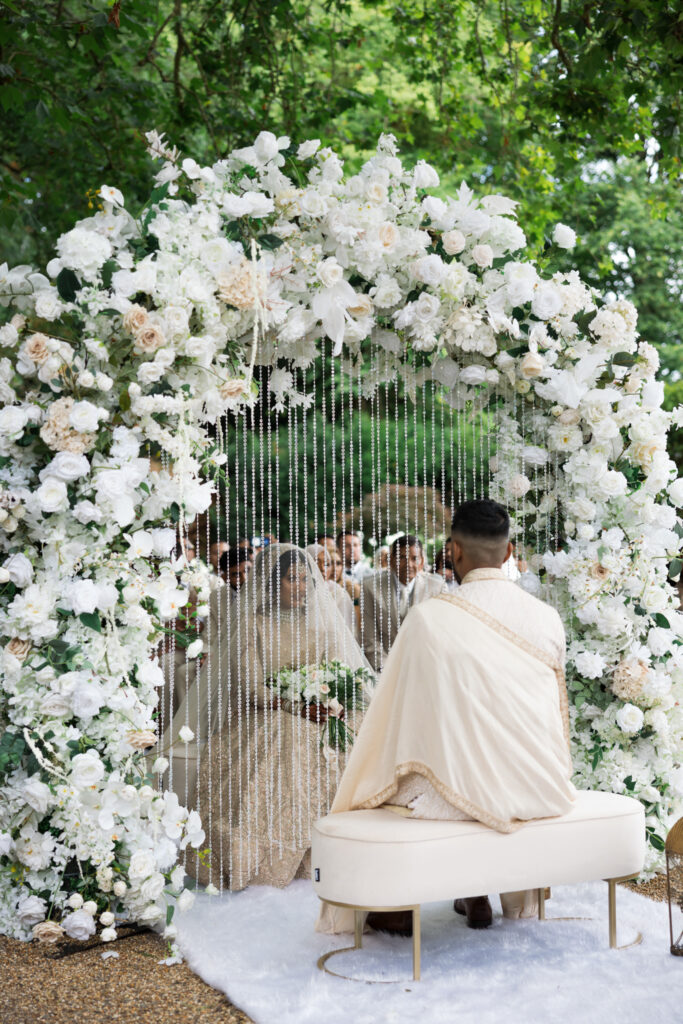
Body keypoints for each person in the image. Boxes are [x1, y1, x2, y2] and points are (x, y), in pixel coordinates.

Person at [320, 499, 575, 935]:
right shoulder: (546, 618)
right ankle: (479, 893)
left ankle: (396, 905)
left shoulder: (429, 617)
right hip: (538, 785)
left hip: (459, 794)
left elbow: (394, 715)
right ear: (509, 552)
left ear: (453, 551)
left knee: (392, 770)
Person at [167, 544, 373, 891]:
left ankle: (353, 839)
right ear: (271, 583)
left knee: (359, 724)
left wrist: (332, 702)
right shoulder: (251, 625)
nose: (301, 587)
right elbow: (251, 689)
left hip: (315, 710)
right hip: (267, 713)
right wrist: (298, 706)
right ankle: (281, 851)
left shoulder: (321, 624)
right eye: (292, 579)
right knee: (290, 733)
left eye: (306, 579)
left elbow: (340, 674)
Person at [360, 534, 444, 671]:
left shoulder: (436, 587)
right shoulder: (370, 587)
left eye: (414, 559)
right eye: (402, 558)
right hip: (383, 668)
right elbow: (370, 638)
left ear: (422, 562)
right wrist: (387, 671)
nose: (409, 564)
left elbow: (438, 635)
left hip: (425, 666)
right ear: (391, 561)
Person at [306, 543, 358, 638]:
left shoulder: (339, 593)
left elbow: (347, 631)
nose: (322, 568)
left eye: (327, 564)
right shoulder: (295, 593)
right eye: (316, 563)